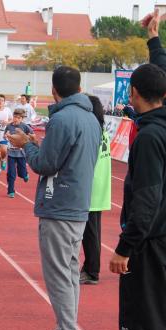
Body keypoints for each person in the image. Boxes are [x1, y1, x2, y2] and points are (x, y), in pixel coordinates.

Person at [7, 66, 100, 330]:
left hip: (59, 204)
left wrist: (26, 147)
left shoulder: (61, 118)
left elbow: (46, 165)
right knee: (70, 273)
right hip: (77, 204)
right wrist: (36, 143)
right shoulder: (91, 117)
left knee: (59, 275)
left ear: (54, 89)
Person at [109, 63, 166, 330]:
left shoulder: (148, 137)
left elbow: (147, 198)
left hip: (148, 247)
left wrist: (125, 247)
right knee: (159, 323)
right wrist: (154, 41)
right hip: (161, 241)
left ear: (133, 94)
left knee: (139, 327)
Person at [79, 95, 111, 285]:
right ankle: (90, 267)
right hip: (100, 186)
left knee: (89, 233)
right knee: (93, 231)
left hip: (91, 185)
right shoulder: (102, 129)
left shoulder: (92, 130)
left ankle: (92, 271)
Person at [4, 108, 31, 198]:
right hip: (11, 153)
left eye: (18, 118)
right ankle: (10, 191)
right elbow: (5, 135)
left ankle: (25, 174)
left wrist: (26, 139)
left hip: (21, 154)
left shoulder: (24, 126)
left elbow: (32, 135)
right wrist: (6, 136)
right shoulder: (9, 126)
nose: (16, 119)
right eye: (15, 117)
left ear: (22, 119)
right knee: (11, 173)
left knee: (21, 173)